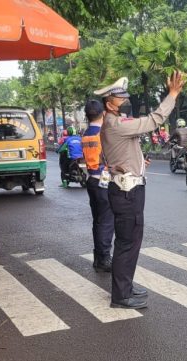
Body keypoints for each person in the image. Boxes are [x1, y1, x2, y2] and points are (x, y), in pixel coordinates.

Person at [95, 72, 184, 309]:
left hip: (126, 188)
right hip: (127, 193)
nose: (125, 100)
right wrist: (172, 95)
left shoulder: (112, 125)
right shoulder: (116, 124)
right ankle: (121, 296)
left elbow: (119, 153)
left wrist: (138, 162)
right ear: (109, 102)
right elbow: (155, 119)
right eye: (119, 97)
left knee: (130, 241)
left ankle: (125, 287)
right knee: (127, 243)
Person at [81, 100, 114, 273]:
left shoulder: (86, 133)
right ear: (103, 113)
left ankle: (98, 257)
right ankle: (104, 258)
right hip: (103, 181)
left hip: (91, 181)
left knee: (98, 220)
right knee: (107, 222)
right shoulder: (103, 133)